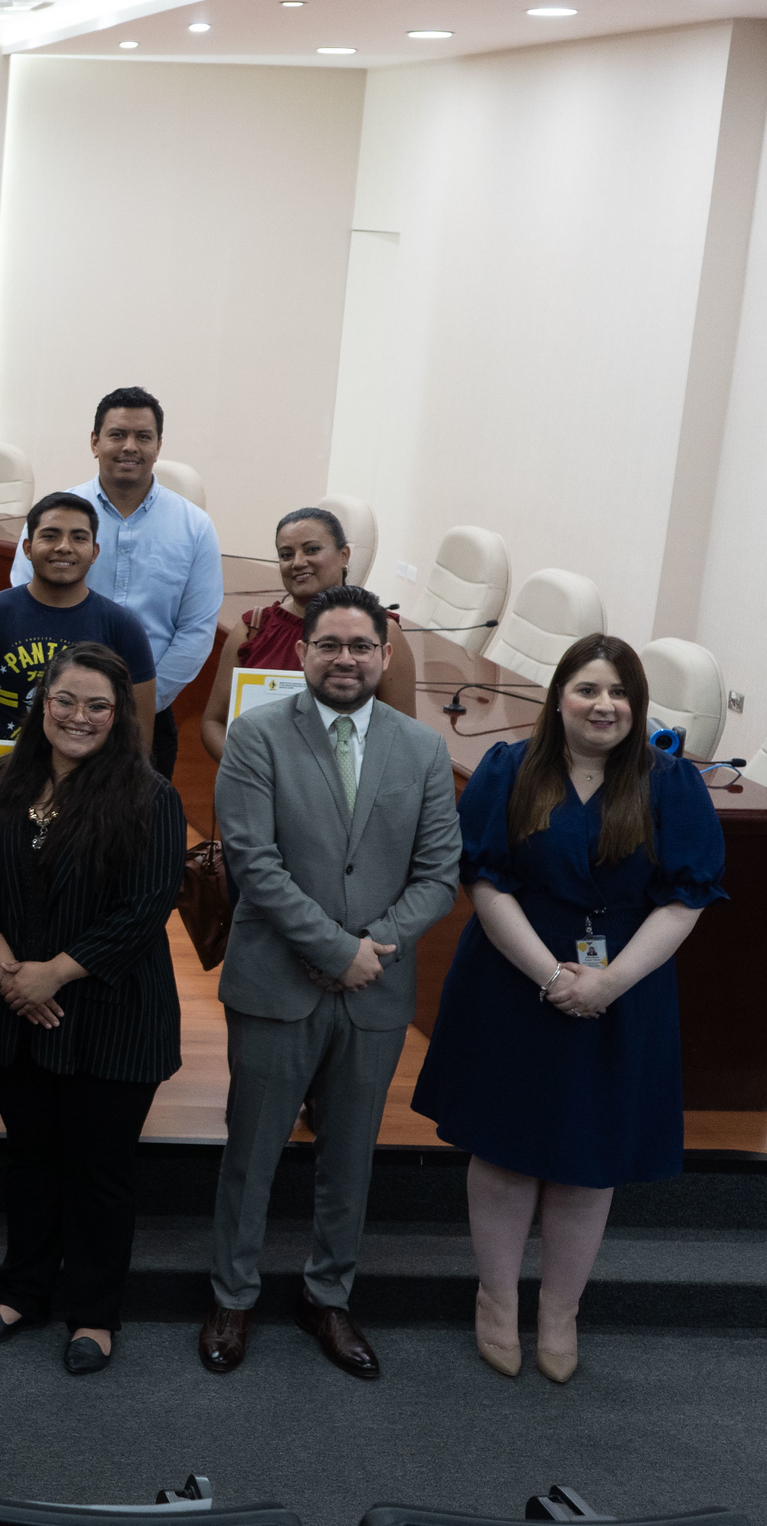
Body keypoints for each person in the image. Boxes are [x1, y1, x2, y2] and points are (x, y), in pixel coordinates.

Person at [410, 635, 725, 1385]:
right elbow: (485, 882)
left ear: (638, 706)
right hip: (513, 979)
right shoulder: (509, 769)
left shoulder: (671, 782)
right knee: (506, 1147)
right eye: (587, 689)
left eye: (618, 693)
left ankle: (559, 1310)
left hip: (624, 990)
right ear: (559, 697)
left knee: (590, 1159)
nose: (603, 705)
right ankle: (495, 1298)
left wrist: (607, 984)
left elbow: (687, 898)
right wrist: (553, 975)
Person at [201, 584, 462, 1381]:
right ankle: (233, 1294)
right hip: (276, 978)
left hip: (374, 987)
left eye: (361, 647)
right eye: (329, 645)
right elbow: (253, 861)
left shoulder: (419, 748)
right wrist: (331, 946)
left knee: (350, 1152)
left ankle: (328, 1293)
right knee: (253, 1150)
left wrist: (367, 949)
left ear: (385, 656)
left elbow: (439, 872)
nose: (345, 659)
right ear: (304, 652)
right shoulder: (254, 737)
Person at [0, 644, 187, 1374]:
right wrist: (8, 969)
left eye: (98, 705)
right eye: (65, 699)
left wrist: (51, 976)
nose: (79, 717)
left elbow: (142, 910)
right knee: (30, 1157)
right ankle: (23, 1289)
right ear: (40, 702)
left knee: (99, 1168)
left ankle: (93, 1311)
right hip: (11, 1004)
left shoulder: (150, 795)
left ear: (119, 715)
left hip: (110, 1013)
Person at [7, 387, 219, 782]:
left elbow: (197, 630)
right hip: (57, 713)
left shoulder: (194, 527)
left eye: (143, 437)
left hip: (146, 717)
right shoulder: (56, 515)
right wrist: (62, 700)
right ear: (95, 442)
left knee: (132, 830)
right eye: (117, 434)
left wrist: (139, 703)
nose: (130, 447)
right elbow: (27, 603)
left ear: (158, 446)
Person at [0, 491, 157, 764]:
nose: (64, 546)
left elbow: (138, 736)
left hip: (89, 787)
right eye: (50, 535)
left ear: (95, 552)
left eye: (79, 537)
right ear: (27, 547)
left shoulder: (122, 627)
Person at [203, 507, 416, 761]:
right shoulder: (253, 629)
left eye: (312, 549)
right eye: (286, 554)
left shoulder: (382, 632)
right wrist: (247, 770)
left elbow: (402, 737)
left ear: (344, 555)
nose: (298, 562)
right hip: (255, 790)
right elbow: (213, 722)